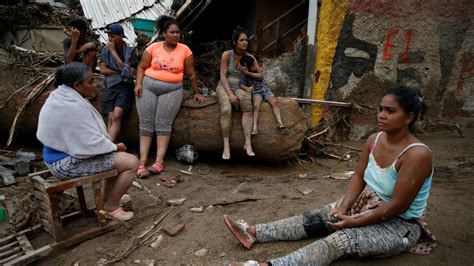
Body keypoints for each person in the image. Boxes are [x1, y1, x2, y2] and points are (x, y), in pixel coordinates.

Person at [224, 86, 437, 265]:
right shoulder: (374, 139)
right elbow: (358, 176)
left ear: (408, 117)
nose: (381, 115)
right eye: (380, 109)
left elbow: (397, 207)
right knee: (316, 218)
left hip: (398, 224)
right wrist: (344, 207)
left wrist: (353, 222)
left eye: (390, 111)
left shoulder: (416, 155)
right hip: (366, 205)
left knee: (339, 241)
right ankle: (252, 232)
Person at [37, 62, 138, 221]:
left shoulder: (61, 96)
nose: (94, 86)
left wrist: (112, 148)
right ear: (77, 85)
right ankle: (110, 207)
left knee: (116, 158)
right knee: (131, 162)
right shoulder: (70, 105)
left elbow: (84, 139)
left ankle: (107, 198)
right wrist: (114, 147)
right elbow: (88, 143)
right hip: (64, 164)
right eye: (90, 82)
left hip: (58, 157)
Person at [134, 19, 205, 178]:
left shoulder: (185, 50)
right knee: (146, 123)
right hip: (149, 87)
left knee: (163, 124)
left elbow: (191, 74)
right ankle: (142, 161)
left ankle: (159, 161)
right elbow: (141, 67)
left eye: (177, 32)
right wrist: (138, 84)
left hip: (172, 90)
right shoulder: (153, 47)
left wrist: (197, 92)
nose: (175, 35)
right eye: (172, 32)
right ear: (164, 33)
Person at [217, 26, 262, 159]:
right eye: (241, 40)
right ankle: (226, 145)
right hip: (224, 86)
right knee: (226, 108)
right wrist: (230, 94)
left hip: (241, 86)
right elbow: (222, 76)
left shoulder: (249, 57)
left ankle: (247, 143)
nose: (245, 43)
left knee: (247, 106)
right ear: (235, 42)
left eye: (246, 40)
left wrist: (248, 73)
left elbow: (261, 75)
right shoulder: (227, 55)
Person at [100, 24, 136, 142]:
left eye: (113, 36)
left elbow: (128, 73)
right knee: (110, 116)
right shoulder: (105, 51)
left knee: (117, 115)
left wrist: (113, 53)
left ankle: (109, 146)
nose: (110, 39)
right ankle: (110, 144)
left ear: (121, 37)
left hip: (125, 86)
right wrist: (120, 71)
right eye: (109, 36)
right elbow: (103, 70)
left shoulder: (130, 51)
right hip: (110, 85)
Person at [239, 55, 285, 135]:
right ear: (246, 67)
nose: (255, 67)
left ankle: (280, 122)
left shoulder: (257, 70)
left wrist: (248, 72)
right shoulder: (244, 76)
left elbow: (261, 77)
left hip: (265, 90)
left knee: (274, 102)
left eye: (255, 64)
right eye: (253, 66)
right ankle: (254, 127)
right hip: (256, 92)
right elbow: (240, 84)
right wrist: (246, 88)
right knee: (256, 106)